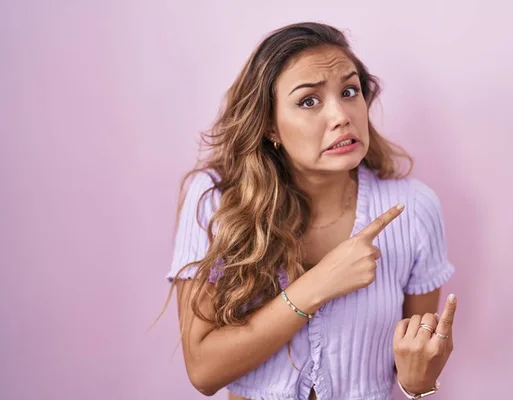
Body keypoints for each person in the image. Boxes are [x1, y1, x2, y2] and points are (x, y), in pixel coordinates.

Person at [165, 22, 457, 400]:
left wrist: (418, 384)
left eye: (349, 92)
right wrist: (319, 284)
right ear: (270, 124)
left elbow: (414, 367)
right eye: (309, 101)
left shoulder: (414, 209)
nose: (341, 115)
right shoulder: (216, 200)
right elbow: (203, 371)